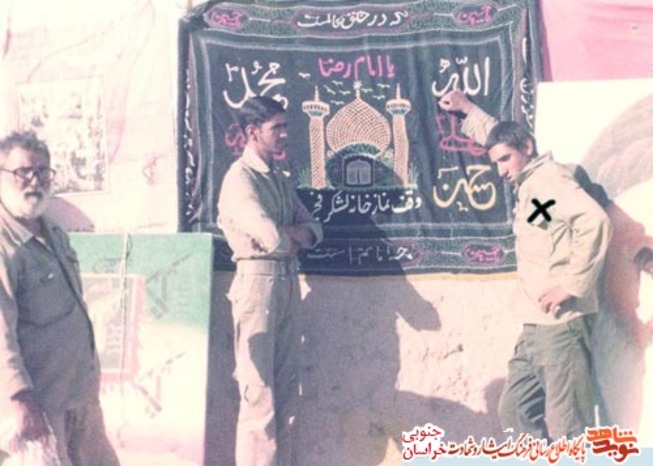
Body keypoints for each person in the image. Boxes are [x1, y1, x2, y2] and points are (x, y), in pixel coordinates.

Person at [439, 90, 613, 440]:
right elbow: (502, 138)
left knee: (568, 426)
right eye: (496, 163)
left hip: (560, 325)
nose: (501, 171)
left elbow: (594, 221)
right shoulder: (532, 183)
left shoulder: (548, 180)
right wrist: (468, 110)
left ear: (528, 148)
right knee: (516, 409)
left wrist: (572, 285)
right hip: (535, 323)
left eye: (506, 160)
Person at [0, 131, 119, 465]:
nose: (34, 180)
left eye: (42, 171)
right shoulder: (5, 245)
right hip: (37, 404)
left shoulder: (54, 233)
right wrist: (19, 398)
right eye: (23, 172)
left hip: (80, 396)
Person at [217, 96, 323, 466]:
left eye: (284, 126)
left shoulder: (278, 179)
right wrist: (291, 234)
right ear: (252, 132)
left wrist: (293, 233)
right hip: (257, 285)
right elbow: (273, 238)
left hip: (287, 282)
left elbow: (314, 230)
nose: (284, 134)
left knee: (288, 390)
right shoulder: (240, 179)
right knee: (258, 394)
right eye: (276, 127)